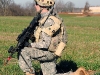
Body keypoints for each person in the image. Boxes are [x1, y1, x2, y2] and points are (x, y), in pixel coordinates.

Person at [18, 0, 89, 75]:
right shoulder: (44, 18)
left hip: (48, 52)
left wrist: (29, 45)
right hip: (50, 51)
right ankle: (75, 74)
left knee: (23, 51)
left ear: (42, 6)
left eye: (36, 4)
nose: (35, 6)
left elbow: (45, 44)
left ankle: (30, 73)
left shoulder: (49, 21)